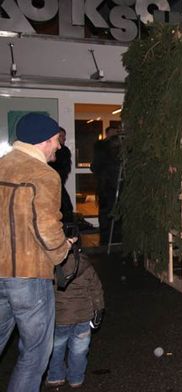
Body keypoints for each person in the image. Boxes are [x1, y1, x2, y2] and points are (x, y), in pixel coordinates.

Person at [0, 113, 74, 392]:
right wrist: (62, 251)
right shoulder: (43, 174)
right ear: (46, 140)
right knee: (34, 353)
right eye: (56, 140)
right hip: (28, 276)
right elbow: (46, 227)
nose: (58, 146)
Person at [46, 254, 104, 389]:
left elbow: (46, 290)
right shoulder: (85, 264)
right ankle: (76, 378)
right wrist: (98, 309)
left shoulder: (50, 264)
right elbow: (96, 289)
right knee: (79, 349)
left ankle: (56, 376)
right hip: (83, 315)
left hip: (60, 317)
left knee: (56, 348)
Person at [91, 126, 123, 245]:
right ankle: (107, 236)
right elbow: (96, 166)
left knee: (110, 211)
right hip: (107, 185)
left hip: (110, 184)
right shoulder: (103, 149)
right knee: (106, 211)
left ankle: (112, 235)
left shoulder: (110, 150)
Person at [49, 127, 74, 224]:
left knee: (66, 208)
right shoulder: (52, 152)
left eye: (64, 136)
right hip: (53, 185)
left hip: (58, 184)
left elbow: (64, 169)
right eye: (61, 136)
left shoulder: (64, 151)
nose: (64, 138)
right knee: (65, 208)